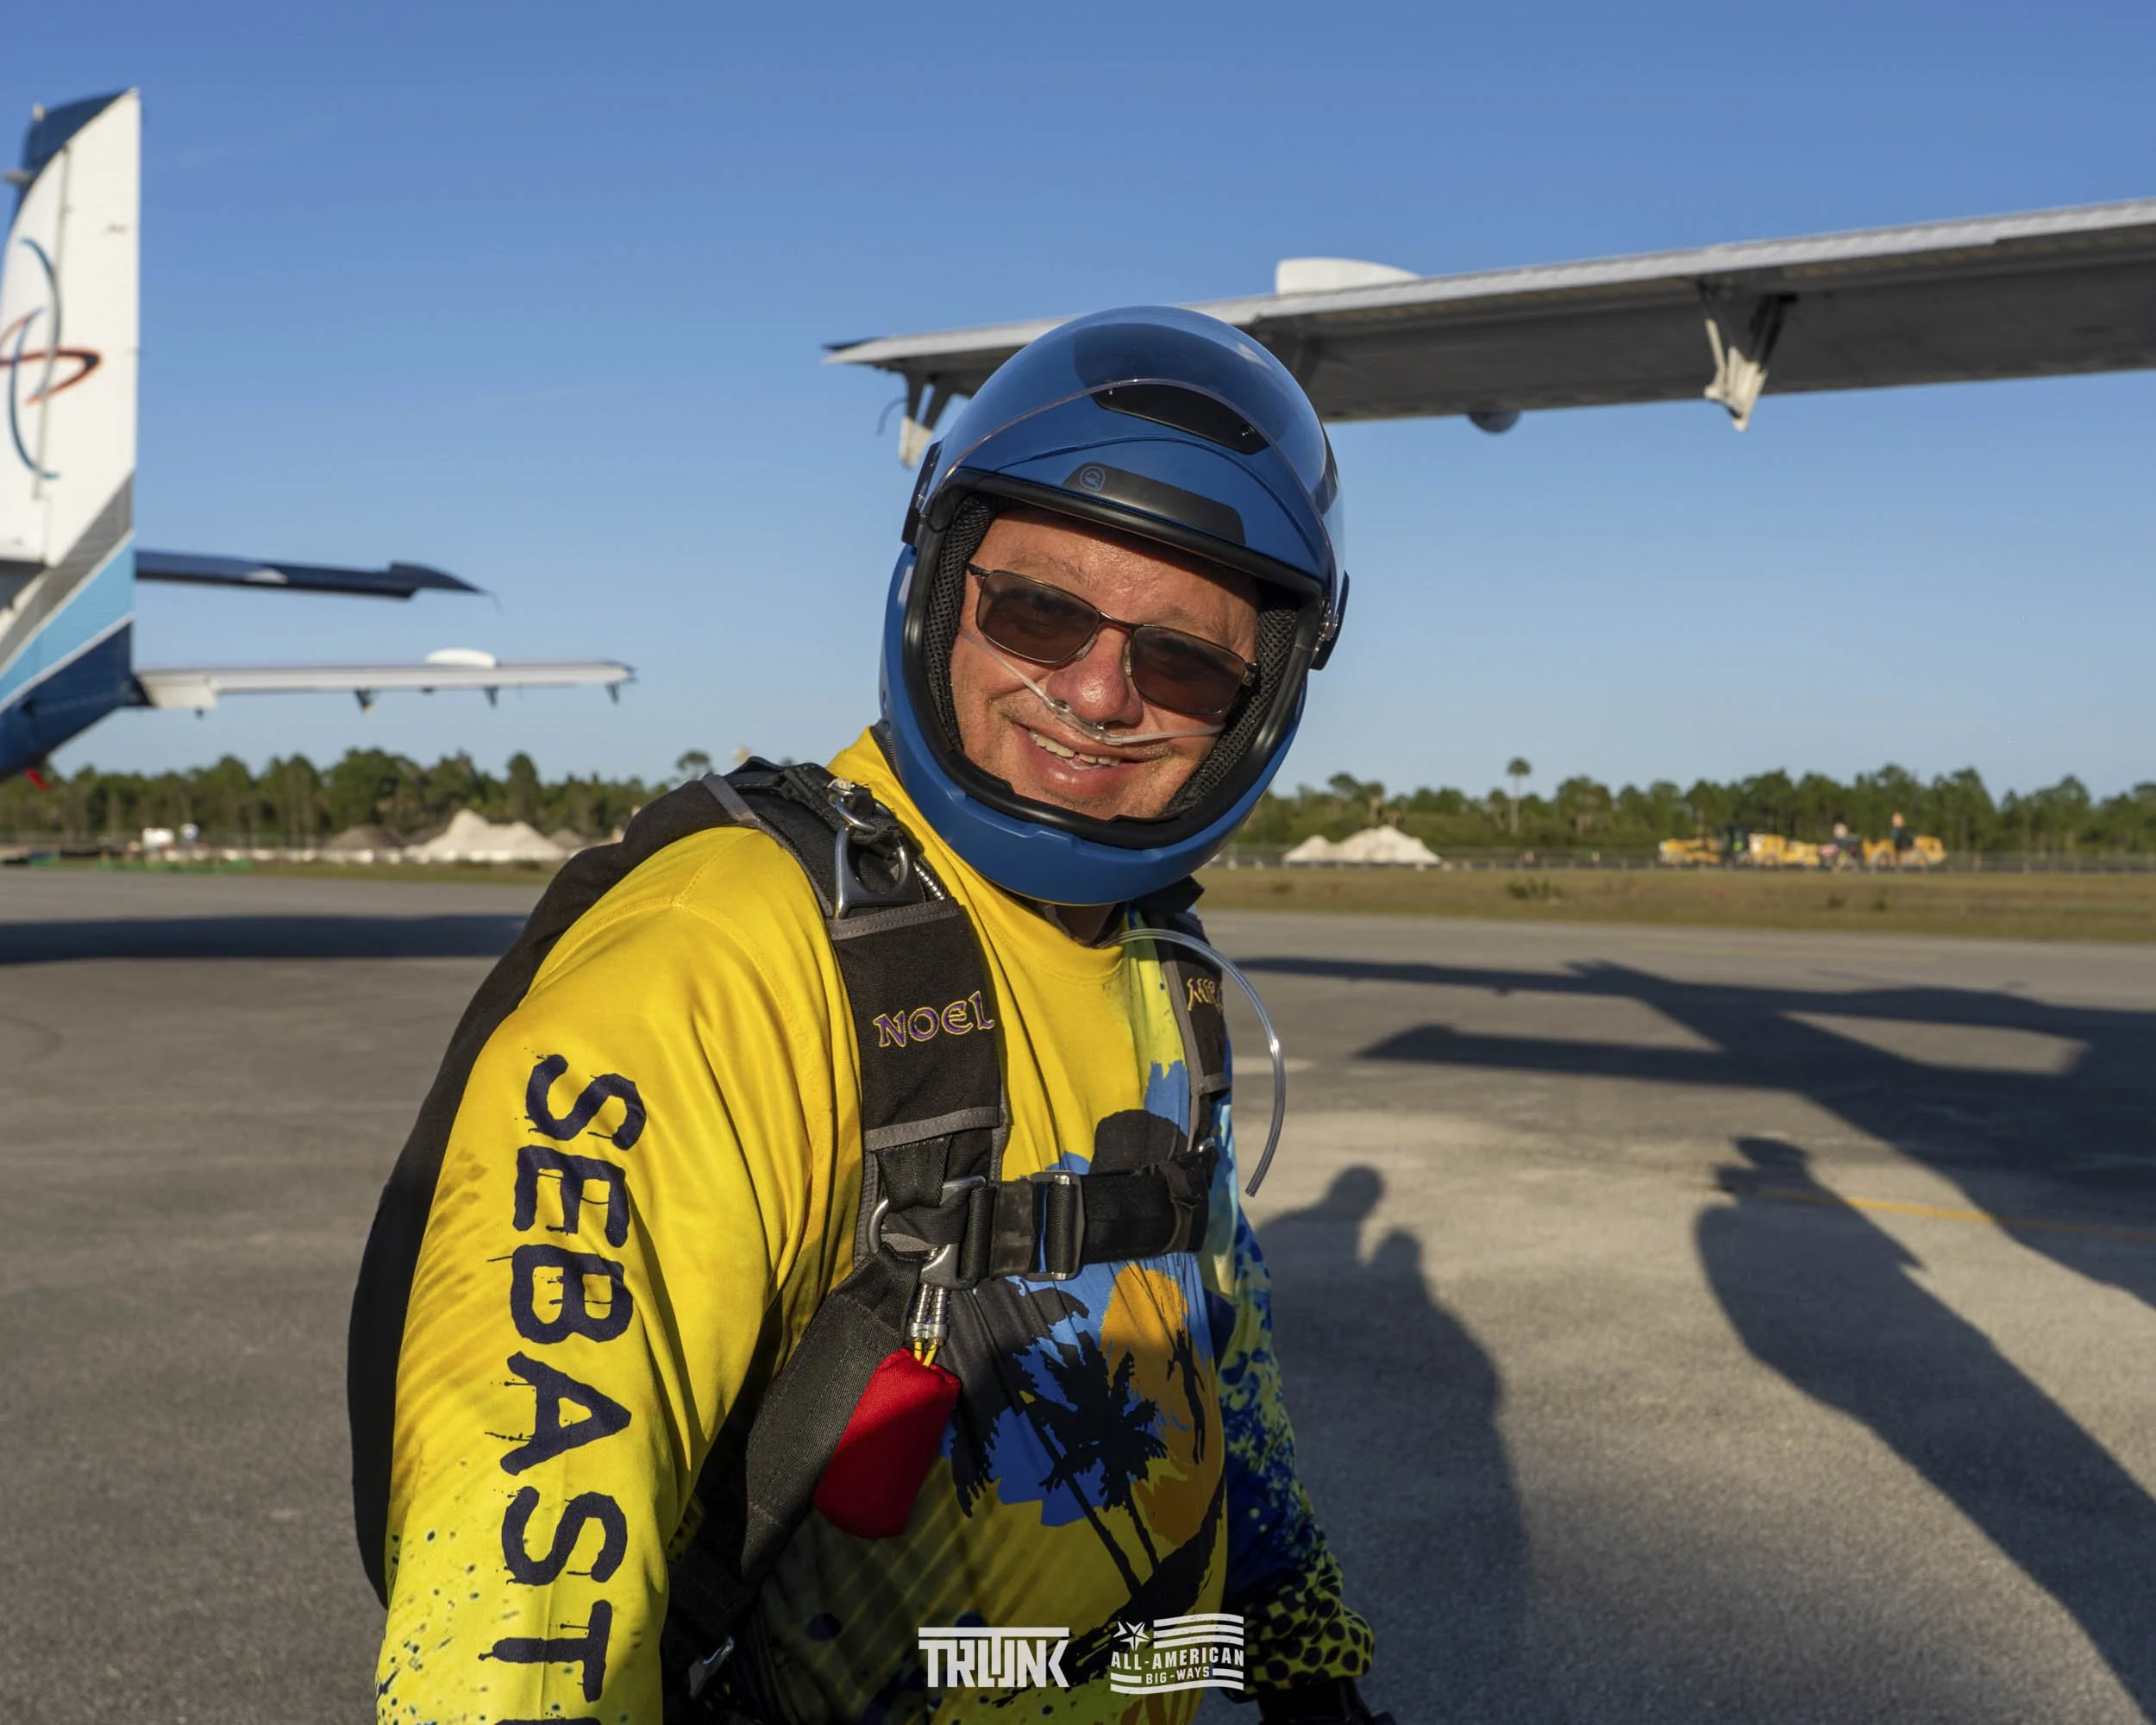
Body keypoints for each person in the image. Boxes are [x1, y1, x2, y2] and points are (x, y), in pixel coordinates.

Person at [349, 308, 1378, 1724]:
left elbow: (1217, 1377)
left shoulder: (1158, 970)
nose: (1095, 695)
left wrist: (1313, 1664)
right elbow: (510, 1610)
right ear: (940, 586)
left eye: (1184, 665)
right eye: (1039, 612)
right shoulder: (716, 957)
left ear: (1253, 707)